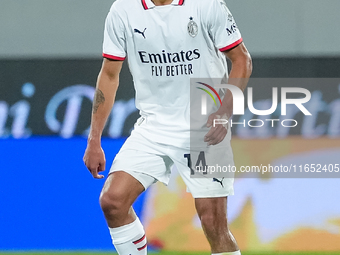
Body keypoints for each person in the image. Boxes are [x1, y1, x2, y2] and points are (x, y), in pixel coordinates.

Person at [83, 0, 252, 253]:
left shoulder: (206, 6)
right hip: (152, 127)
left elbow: (242, 60)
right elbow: (109, 75)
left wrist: (224, 112)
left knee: (213, 224)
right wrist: (93, 140)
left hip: (202, 129)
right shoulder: (123, 10)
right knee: (112, 201)